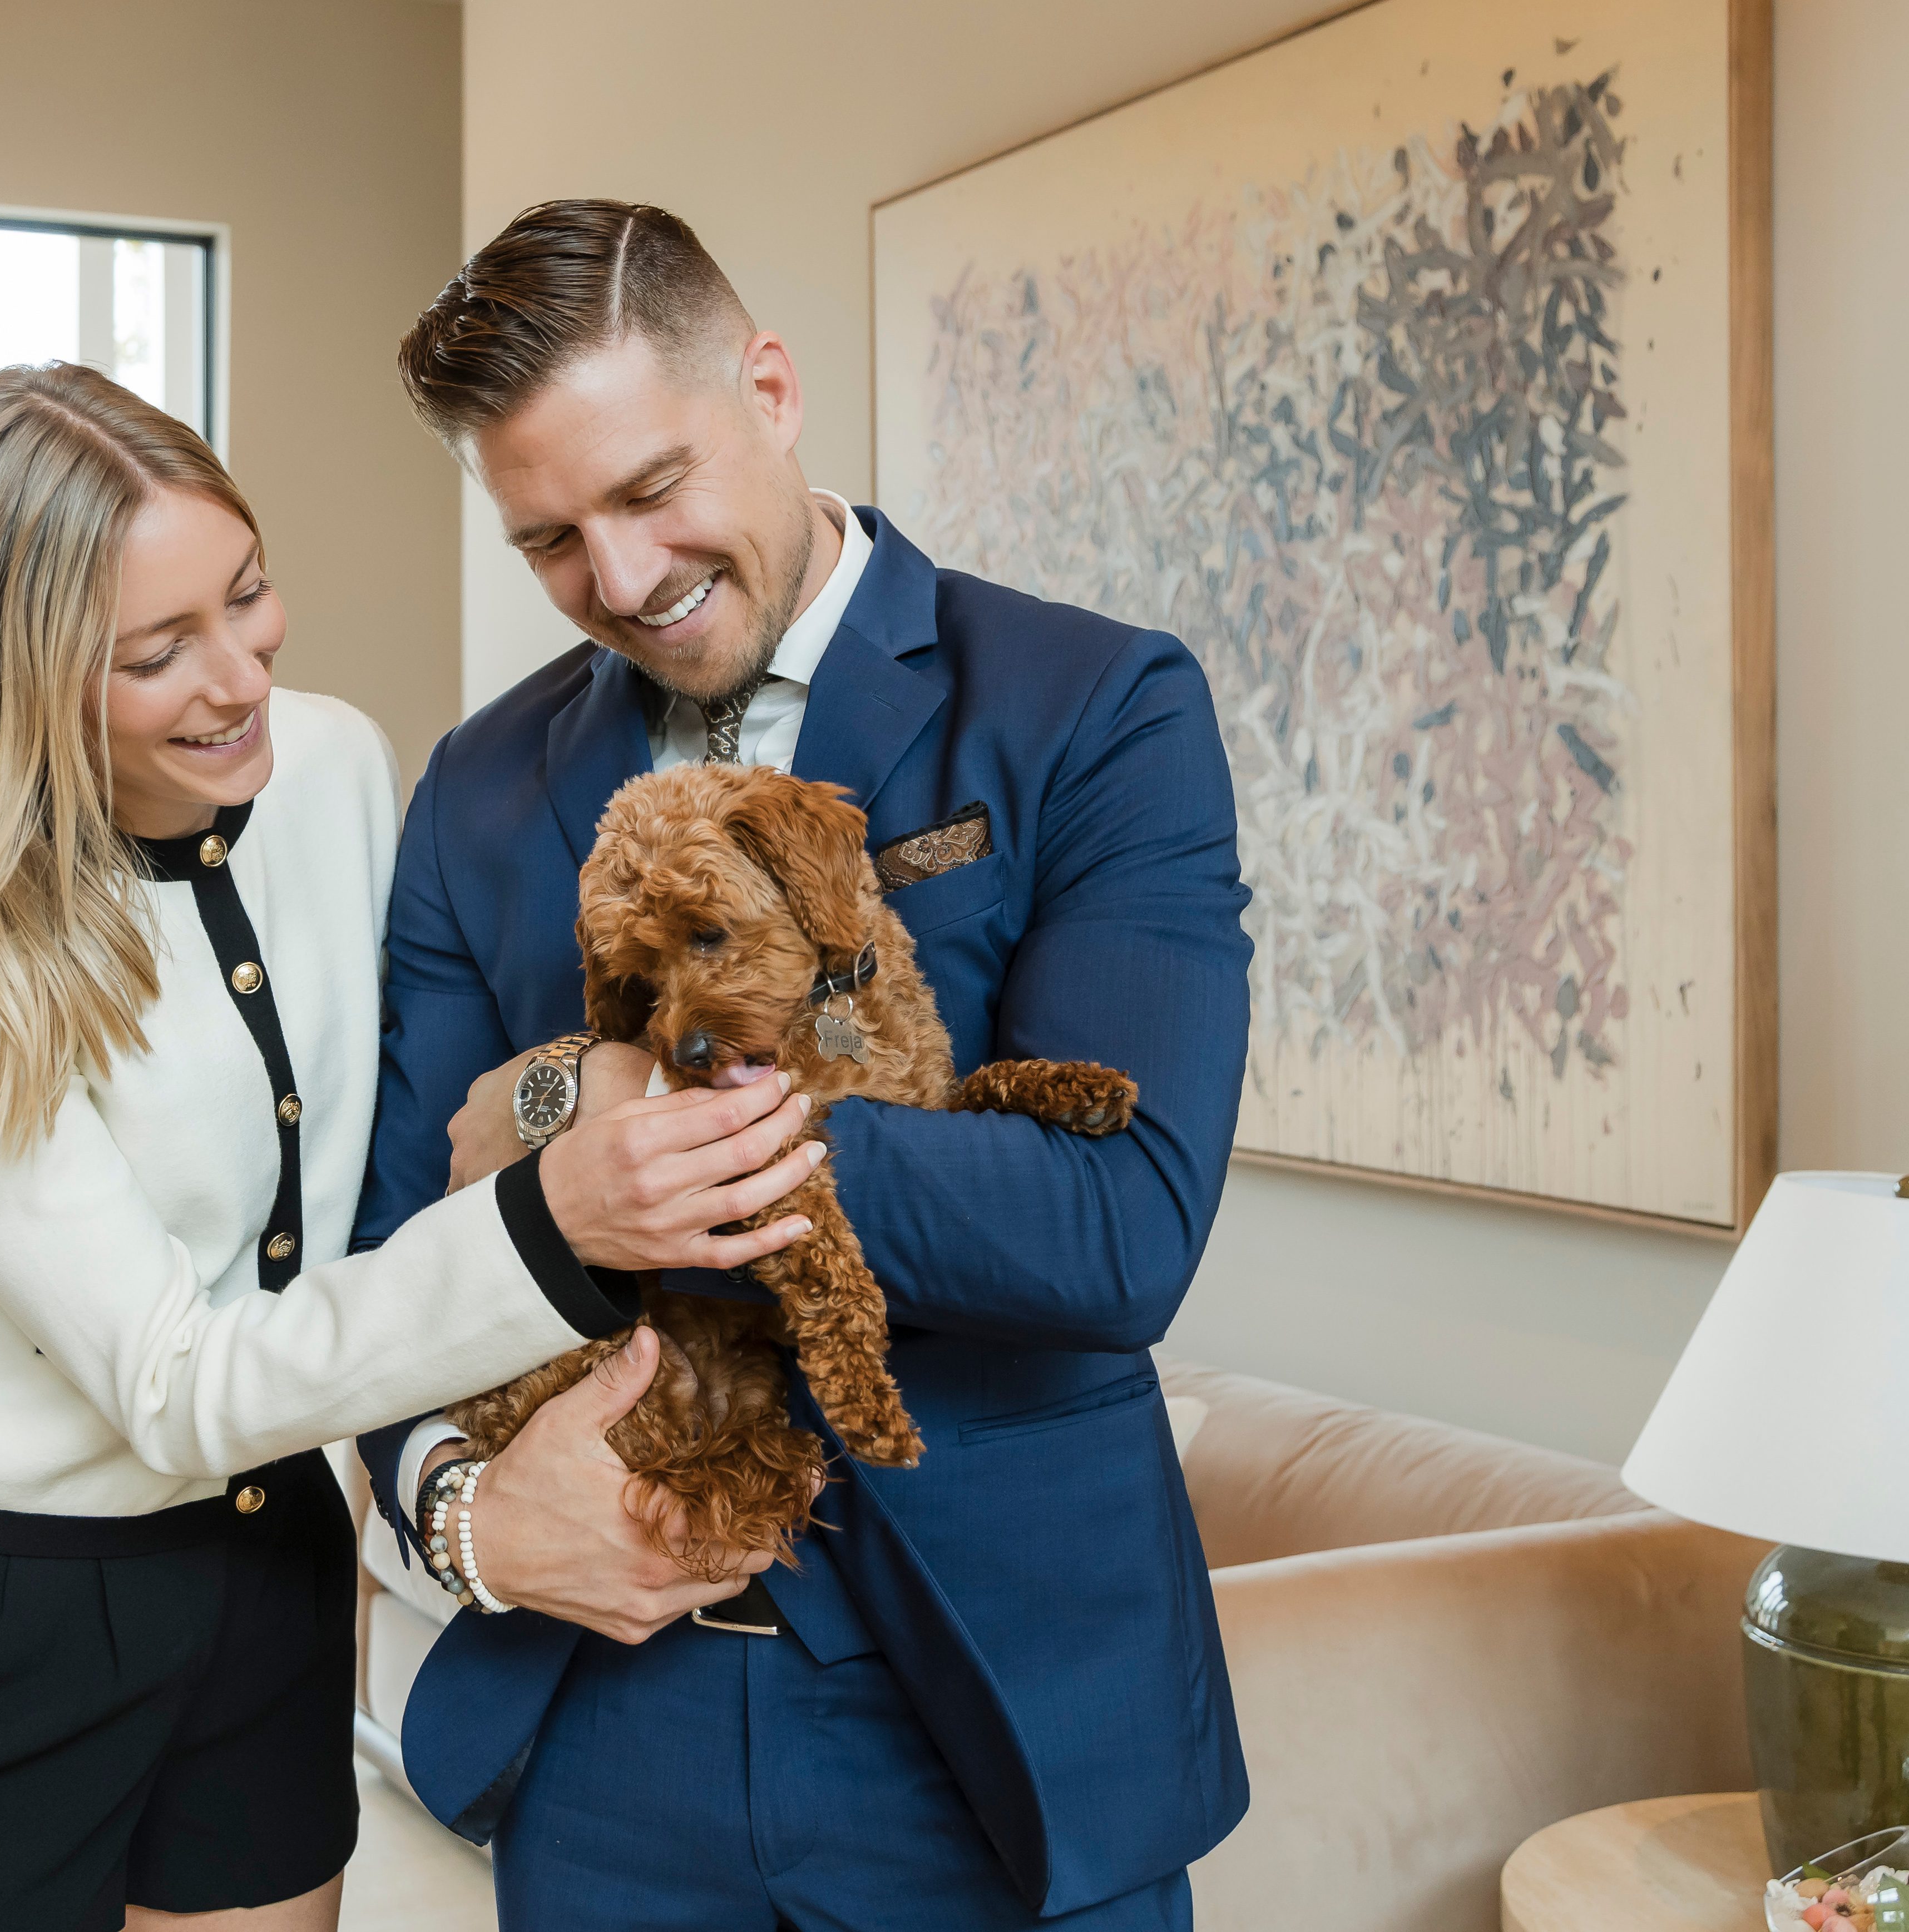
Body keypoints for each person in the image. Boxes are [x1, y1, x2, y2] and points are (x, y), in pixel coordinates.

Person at [0, 362, 828, 1932]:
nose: (239, 677)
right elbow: (176, 1383)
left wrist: (565, 1116)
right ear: (16, 683)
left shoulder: (336, 765)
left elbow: (462, 1108)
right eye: (156, 653)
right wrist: (553, 1228)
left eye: (250, 594)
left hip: (276, 1561)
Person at [356, 203, 1254, 1930]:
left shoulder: (1096, 706)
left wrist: (646, 1122)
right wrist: (466, 1512)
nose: (617, 582)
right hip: (605, 1729)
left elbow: (1121, 1221)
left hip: (999, 1720)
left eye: (645, 492)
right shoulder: (474, 789)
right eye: (548, 537)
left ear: (768, 387)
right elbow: (396, 1250)